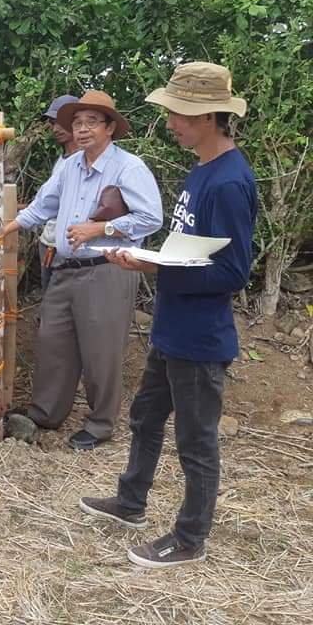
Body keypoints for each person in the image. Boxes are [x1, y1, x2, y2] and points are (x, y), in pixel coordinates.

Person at [80, 62, 257, 567]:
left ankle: (189, 539)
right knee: (145, 417)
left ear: (210, 116)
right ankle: (131, 503)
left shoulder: (228, 183)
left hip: (200, 339)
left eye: (179, 113)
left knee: (196, 444)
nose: (171, 122)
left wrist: (156, 269)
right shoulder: (202, 171)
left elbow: (232, 273)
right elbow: (195, 249)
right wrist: (151, 258)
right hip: (172, 329)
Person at [2, 90, 163, 450]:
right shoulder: (69, 167)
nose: (83, 129)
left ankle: (101, 422)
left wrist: (101, 228)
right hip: (65, 267)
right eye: (77, 122)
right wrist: (4, 229)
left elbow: (152, 218)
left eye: (92, 122)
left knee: (101, 349)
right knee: (53, 341)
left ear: (109, 128)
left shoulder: (128, 167)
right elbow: (42, 206)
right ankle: (46, 412)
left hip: (107, 267)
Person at [37, 94, 79, 291]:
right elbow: (51, 202)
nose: (55, 128)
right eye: (53, 123)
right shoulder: (61, 162)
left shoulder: (88, 162)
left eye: (61, 122)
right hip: (49, 245)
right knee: (51, 304)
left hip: (71, 249)